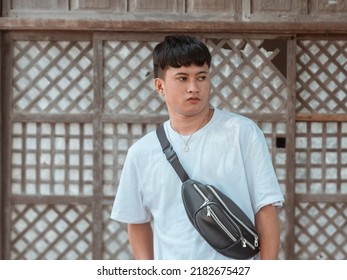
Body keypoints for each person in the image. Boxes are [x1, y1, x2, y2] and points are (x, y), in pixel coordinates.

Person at [110, 35, 284, 260]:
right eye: (182, 78)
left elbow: (266, 208)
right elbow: (136, 222)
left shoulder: (242, 133)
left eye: (201, 77)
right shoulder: (141, 153)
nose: (193, 87)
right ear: (160, 86)